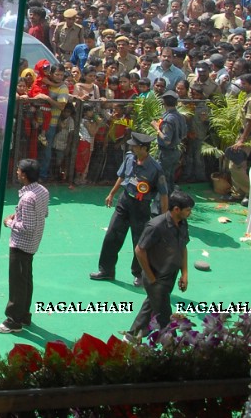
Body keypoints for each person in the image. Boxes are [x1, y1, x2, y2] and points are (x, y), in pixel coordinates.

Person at [91, 132, 169, 286]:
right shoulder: (129, 157)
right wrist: (112, 194)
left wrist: (164, 217)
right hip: (124, 201)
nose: (131, 147)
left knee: (139, 242)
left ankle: (139, 274)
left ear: (143, 148)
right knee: (111, 236)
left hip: (141, 207)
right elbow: (122, 177)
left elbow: (164, 194)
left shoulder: (155, 168)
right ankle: (106, 270)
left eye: (134, 145)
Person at [127, 191, 193, 339]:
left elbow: (183, 247)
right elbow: (139, 250)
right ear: (176, 209)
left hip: (170, 275)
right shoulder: (156, 226)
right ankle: (173, 345)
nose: (190, 213)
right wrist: (151, 278)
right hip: (156, 278)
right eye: (188, 210)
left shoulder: (182, 223)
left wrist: (185, 274)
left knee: (149, 307)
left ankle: (131, 336)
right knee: (165, 316)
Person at [0, 158, 49, 334]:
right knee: (26, 280)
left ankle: (13, 321)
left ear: (24, 175)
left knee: (17, 282)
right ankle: (24, 315)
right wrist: (18, 215)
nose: (17, 172)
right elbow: (43, 214)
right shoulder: (42, 191)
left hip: (21, 245)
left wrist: (9, 223)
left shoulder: (27, 197)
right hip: (33, 244)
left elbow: (27, 227)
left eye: (18, 170)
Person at [156, 90, 187, 186]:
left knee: (163, 179)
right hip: (175, 151)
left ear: (164, 102)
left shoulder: (168, 119)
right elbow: (184, 134)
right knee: (170, 179)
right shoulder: (180, 116)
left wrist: (157, 128)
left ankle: (163, 200)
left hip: (167, 153)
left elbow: (166, 140)